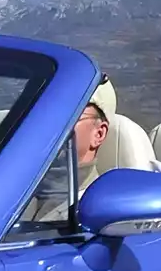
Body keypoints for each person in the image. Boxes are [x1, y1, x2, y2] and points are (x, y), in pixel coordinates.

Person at [19, 77, 115, 227]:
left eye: (68, 114)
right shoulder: (0, 194)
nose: (49, 124)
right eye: (40, 114)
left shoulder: (99, 214)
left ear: (98, 134)